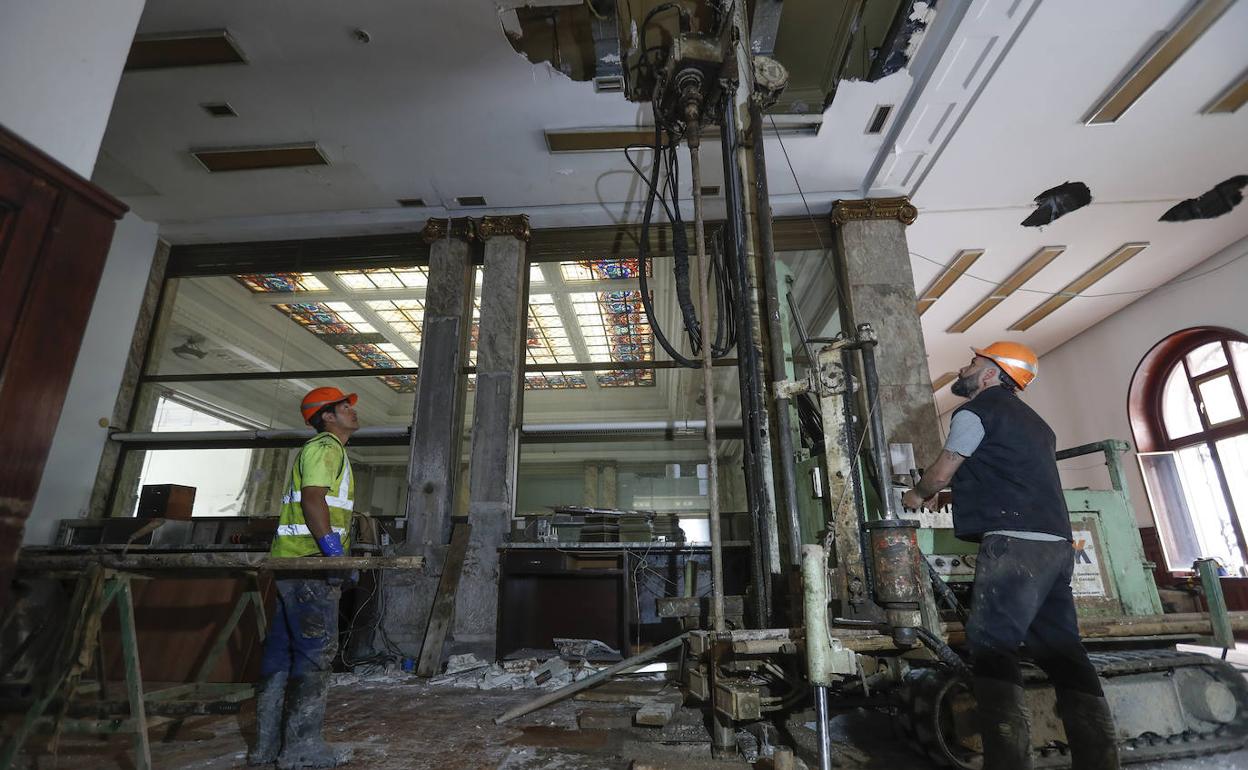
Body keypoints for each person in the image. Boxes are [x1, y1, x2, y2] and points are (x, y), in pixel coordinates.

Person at [902, 342, 1118, 770]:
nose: (964, 368)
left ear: (989, 376)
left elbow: (944, 470)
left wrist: (918, 494)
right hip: (1056, 546)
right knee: (1062, 650)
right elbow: (1005, 473)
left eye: (973, 364)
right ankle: (1100, 760)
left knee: (992, 647)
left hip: (1014, 547)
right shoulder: (1037, 424)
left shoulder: (974, 413)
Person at [249, 387, 359, 769]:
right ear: (327, 417)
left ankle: (265, 748)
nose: (351, 413)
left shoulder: (326, 450)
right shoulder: (326, 448)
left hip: (291, 565)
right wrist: (334, 553)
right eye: (344, 408)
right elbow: (314, 499)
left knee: (281, 653)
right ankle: (302, 749)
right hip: (310, 565)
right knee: (315, 653)